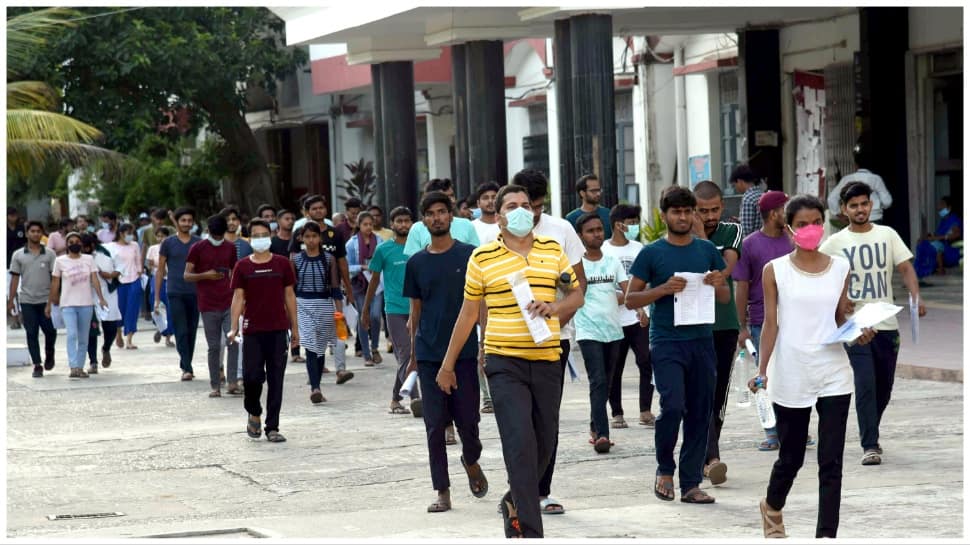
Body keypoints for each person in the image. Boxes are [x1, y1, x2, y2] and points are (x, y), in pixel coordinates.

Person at [437, 184, 581, 537]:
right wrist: (448, 363)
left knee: (545, 444)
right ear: (498, 216)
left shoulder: (552, 249)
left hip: (548, 357)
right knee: (519, 442)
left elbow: (575, 293)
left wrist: (556, 307)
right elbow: (468, 313)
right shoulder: (482, 258)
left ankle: (514, 498)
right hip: (504, 363)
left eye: (526, 205)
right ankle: (530, 531)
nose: (521, 210)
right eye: (512, 205)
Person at [752, 194, 875, 539]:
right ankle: (773, 505)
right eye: (802, 224)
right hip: (791, 370)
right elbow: (771, 324)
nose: (810, 229)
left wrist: (858, 334)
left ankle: (826, 534)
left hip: (834, 371)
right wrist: (762, 370)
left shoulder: (840, 267)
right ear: (790, 228)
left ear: (824, 224)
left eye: (815, 222)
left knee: (831, 461)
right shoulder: (774, 270)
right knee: (791, 457)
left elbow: (839, 320)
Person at [625, 185, 729, 505]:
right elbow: (630, 299)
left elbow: (724, 298)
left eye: (687, 211)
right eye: (676, 212)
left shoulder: (706, 250)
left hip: (702, 341)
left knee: (700, 412)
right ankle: (664, 468)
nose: (683, 217)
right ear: (664, 215)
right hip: (667, 341)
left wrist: (719, 283)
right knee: (672, 406)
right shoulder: (652, 253)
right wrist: (663, 290)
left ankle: (691, 483)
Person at [820, 181, 926, 466]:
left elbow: (905, 268)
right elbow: (821, 277)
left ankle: (871, 427)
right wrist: (838, 304)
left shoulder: (887, 234)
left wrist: (916, 298)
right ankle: (870, 444)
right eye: (853, 205)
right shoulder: (834, 243)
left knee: (884, 386)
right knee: (865, 382)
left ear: (871, 205)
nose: (860, 209)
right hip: (854, 325)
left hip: (886, 323)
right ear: (844, 210)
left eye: (864, 204)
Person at [403, 191, 487, 513]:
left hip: (465, 353)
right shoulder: (416, 263)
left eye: (442, 212)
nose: (436, 218)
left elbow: (480, 304)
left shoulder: (471, 256)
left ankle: (471, 459)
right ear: (423, 220)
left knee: (469, 422)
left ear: (451, 216)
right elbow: (415, 312)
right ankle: (442, 490)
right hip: (428, 353)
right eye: (430, 213)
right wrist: (413, 355)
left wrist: (482, 344)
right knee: (435, 425)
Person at [510, 168, 587, 516]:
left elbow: (578, 287)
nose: (533, 215)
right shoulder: (495, 237)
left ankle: (541, 490)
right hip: (507, 343)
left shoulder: (561, 231)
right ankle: (519, 491)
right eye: (527, 207)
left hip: (554, 340)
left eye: (538, 207)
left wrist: (556, 323)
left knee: (546, 419)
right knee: (517, 421)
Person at [228, 219, 299, 443]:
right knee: (251, 377)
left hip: (278, 330)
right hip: (252, 330)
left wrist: (294, 327)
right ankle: (254, 411)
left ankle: (272, 427)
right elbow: (238, 298)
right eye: (256, 234)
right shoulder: (243, 266)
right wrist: (233, 328)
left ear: (271, 235)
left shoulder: (282, 264)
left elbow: (289, 295)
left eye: (264, 234)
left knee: (276, 379)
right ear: (250, 238)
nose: (260, 238)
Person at [690, 181, 742, 486]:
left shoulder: (730, 232)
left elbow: (723, 271)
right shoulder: (680, 236)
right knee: (701, 392)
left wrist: (700, 237)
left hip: (724, 324)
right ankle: (711, 457)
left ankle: (706, 454)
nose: (709, 216)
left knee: (718, 395)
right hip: (693, 327)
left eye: (714, 210)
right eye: (702, 210)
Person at [574, 212, 628, 454]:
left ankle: (595, 427)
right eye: (590, 230)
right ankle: (603, 435)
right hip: (587, 331)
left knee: (606, 382)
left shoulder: (613, 262)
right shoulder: (576, 265)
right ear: (580, 236)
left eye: (599, 229)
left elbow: (627, 291)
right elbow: (570, 295)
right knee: (598, 380)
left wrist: (642, 310)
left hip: (613, 330)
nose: (596, 233)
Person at [288, 195, 356, 384]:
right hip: (304, 301)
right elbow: (291, 276)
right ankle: (315, 378)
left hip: (329, 298)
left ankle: (340, 370)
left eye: (321, 208)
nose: (311, 240)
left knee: (340, 336)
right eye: (314, 208)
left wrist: (347, 291)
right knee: (313, 343)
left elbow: (342, 264)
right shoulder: (297, 247)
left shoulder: (334, 239)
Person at [601, 204, 654, 428]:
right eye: (630, 222)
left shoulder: (639, 248)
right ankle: (617, 413)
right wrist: (630, 298)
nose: (634, 226)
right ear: (618, 225)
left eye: (635, 222)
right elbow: (603, 288)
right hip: (614, 319)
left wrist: (641, 305)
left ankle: (645, 410)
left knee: (646, 362)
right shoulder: (604, 251)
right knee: (615, 367)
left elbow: (647, 281)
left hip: (638, 317)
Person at [363, 206, 419, 414]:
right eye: (399, 221)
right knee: (405, 352)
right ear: (392, 224)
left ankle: (396, 398)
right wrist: (366, 309)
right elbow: (374, 280)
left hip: (418, 308)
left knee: (413, 354)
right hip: (395, 309)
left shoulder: (421, 247)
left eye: (407, 220)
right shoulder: (383, 249)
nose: (403, 225)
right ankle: (415, 398)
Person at [185, 214, 240, 398]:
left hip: (228, 301)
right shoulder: (197, 248)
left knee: (233, 342)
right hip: (208, 304)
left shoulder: (230, 247)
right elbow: (187, 275)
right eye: (214, 236)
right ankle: (215, 385)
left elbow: (235, 273)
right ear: (208, 231)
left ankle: (232, 382)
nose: (217, 239)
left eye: (220, 236)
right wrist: (205, 275)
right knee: (214, 346)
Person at [292, 221, 341, 404]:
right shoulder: (295, 259)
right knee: (310, 346)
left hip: (324, 303)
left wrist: (339, 311)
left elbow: (335, 285)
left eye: (314, 236)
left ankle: (317, 384)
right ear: (301, 239)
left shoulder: (329, 259)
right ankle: (315, 388)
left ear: (319, 238)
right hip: (303, 303)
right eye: (307, 237)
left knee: (320, 348)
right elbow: (291, 287)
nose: (311, 240)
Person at [48, 232, 108, 379]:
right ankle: (73, 366)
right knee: (72, 334)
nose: (74, 244)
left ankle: (80, 367)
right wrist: (50, 302)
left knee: (83, 337)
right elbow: (55, 282)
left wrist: (101, 298)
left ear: (81, 244)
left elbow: (94, 279)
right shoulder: (60, 261)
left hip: (86, 303)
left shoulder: (89, 259)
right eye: (71, 242)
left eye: (77, 241)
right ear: (66, 245)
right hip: (67, 304)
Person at [156, 207, 202, 381]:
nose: (186, 224)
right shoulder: (167, 243)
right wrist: (156, 297)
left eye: (190, 221)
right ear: (177, 222)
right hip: (175, 291)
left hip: (195, 292)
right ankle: (186, 367)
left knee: (191, 330)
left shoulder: (198, 242)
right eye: (183, 220)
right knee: (181, 330)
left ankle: (187, 362)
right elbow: (160, 270)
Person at [8, 221, 57, 377]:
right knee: (31, 332)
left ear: (42, 233)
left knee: (50, 331)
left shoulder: (50, 254)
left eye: (38, 231)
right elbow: (14, 279)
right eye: (32, 231)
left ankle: (50, 353)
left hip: (46, 299)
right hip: (27, 300)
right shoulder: (18, 255)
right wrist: (10, 301)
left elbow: (55, 278)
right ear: (27, 233)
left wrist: (54, 298)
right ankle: (37, 364)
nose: (35, 234)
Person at [404, 179, 480, 256]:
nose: (453, 200)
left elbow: (476, 256)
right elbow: (414, 263)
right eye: (446, 197)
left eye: (452, 195)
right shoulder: (417, 229)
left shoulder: (466, 225)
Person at [346, 211, 384, 366]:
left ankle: (375, 347)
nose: (368, 227)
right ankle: (366, 354)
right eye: (365, 224)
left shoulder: (380, 241)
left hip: (377, 284)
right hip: (359, 285)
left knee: (375, 316)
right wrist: (361, 267)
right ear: (359, 225)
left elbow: (384, 261)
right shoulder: (351, 243)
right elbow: (347, 266)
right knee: (363, 317)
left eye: (370, 224)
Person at [81, 232, 121, 374]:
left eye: (87, 247)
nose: (85, 249)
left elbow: (121, 267)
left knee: (110, 327)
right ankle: (93, 362)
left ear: (93, 244)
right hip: (88, 295)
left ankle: (106, 348)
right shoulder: (78, 257)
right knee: (91, 330)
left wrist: (111, 275)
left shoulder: (107, 252)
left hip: (107, 294)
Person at [826, 150, 893, 224]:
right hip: (875, 219)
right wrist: (879, 206)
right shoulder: (876, 179)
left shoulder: (847, 179)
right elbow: (887, 202)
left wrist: (839, 214)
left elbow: (831, 198)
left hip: (855, 219)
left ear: (856, 164)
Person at [107, 223, 143, 350]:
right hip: (119, 281)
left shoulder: (135, 245)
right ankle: (118, 333)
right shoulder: (111, 246)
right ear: (121, 233)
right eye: (128, 233)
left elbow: (139, 261)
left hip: (134, 280)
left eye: (132, 233)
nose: (130, 236)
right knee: (120, 309)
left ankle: (129, 339)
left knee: (132, 310)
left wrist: (139, 273)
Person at [914, 196, 962, 280]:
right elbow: (936, 235)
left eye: (942, 204)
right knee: (922, 242)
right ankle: (920, 269)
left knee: (935, 245)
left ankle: (941, 269)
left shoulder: (954, 219)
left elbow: (956, 234)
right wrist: (928, 237)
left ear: (949, 208)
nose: (939, 207)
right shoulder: (943, 221)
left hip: (951, 251)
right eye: (939, 204)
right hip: (942, 250)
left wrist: (939, 238)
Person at [146, 226, 174, 347]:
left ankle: (168, 336)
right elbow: (150, 264)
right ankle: (160, 328)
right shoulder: (153, 248)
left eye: (163, 236)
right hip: (157, 278)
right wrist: (160, 269)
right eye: (158, 236)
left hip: (170, 279)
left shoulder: (172, 247)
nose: (160, 238)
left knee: (170, 308)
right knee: (155, 305)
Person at [564, 174, 613, 238]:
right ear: (582, 193)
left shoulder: (608, 213)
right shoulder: (571, 218)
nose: (598, 194)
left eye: (599, 190)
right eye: (593, 191)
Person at [731, 164, 765, 238]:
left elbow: (745, 231)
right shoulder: (762, 194)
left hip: (753, 244)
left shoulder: (748, 199)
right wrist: (740, 221)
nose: (735, 188)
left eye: (734, 185)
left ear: (740, 181)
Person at [7, 207, 27, 330]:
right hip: (6, 264)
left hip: (22, 262)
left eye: (15, 215)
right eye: (10, 215)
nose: (13, 217)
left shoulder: (22, 228)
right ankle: (14, 319)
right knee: (10, 292)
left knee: (22, 290)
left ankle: (23, 316)